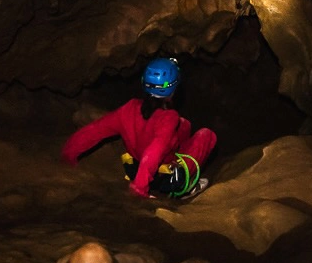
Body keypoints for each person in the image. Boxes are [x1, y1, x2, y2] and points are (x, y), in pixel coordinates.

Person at [61, 57, 217, 199]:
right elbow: (154, 151)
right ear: (174, 88)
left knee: (184, 125)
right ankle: (185, 187)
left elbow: (95, 130)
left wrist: (69, 153)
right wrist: (140, 188)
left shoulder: (129, 109)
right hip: (163, 177)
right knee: (206, 135)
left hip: (134, 169)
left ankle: (164, 174)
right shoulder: (168, 118)